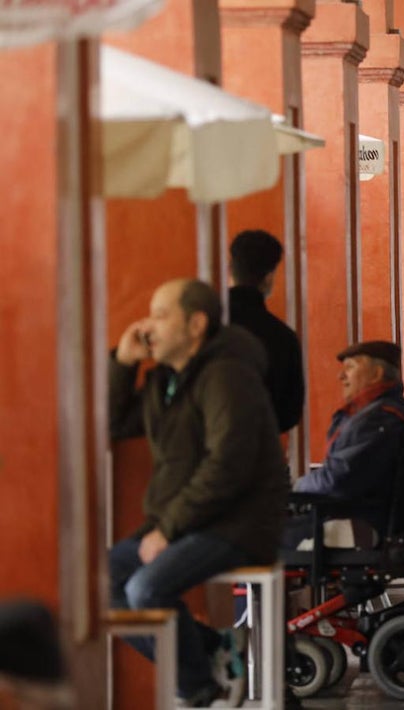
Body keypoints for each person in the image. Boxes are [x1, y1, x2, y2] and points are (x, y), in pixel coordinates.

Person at [108, 279, 288, 707]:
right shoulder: (165, 382)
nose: (149, 326)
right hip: (187, 523)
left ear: (196, 324)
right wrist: (122, 363)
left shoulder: (227, 375)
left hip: (238, 525)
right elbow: (114, 424)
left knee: (145, 591)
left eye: (161, 314)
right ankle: (211, 649)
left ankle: (198, 690)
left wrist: (167, 531)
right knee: (99, 583)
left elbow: (227, 466)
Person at [291, 340, 404, 539]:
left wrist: (296, 487)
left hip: (367, 526)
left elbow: (337, 480)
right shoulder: (403, 412)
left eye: (350, 368)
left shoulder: (376, 420)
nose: (341, 376)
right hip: (389, 521)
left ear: (376, 374)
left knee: (261, 539)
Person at [227, 230, 305, 434]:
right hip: (258, 454)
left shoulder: (207, 325)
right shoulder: (283, 337)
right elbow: (290, 414)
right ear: (269, 277)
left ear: (230, 270)